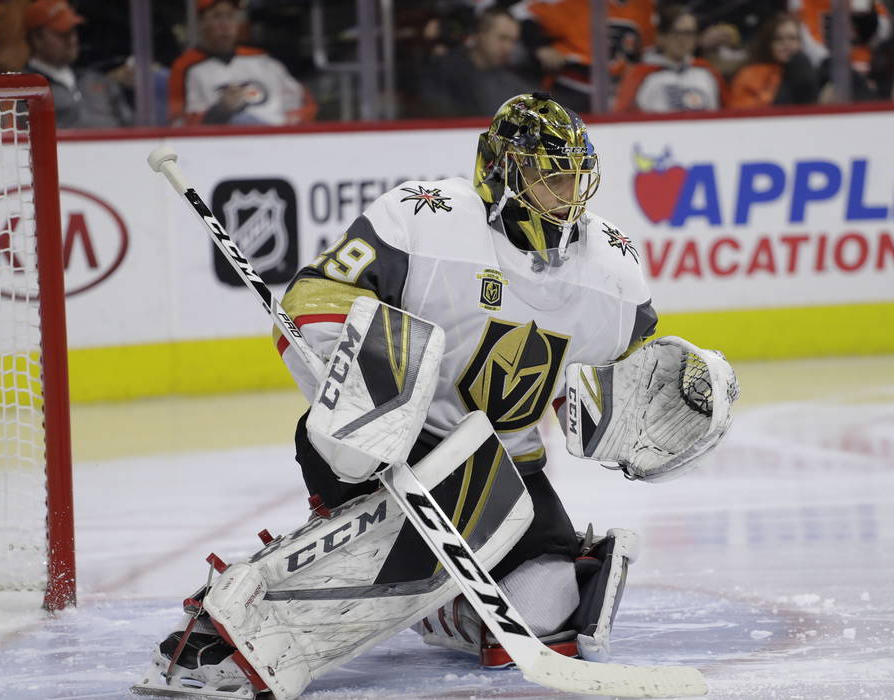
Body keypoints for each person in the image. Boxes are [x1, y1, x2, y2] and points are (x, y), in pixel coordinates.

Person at [136, 92, 738, 699]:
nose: (567, 192)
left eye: (576, 177)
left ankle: (445, 607)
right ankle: (225, 631)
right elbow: (313, 296)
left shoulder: (613, 270)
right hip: (388, 448)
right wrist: (361, 385)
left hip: (507, 471)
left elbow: (596, 392)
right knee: (394, 360)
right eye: (548, 175)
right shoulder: (423, 216)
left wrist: (648, 412)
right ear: (501, 170)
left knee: (551, 613)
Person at [167, 0, 316, 126]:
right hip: (222, 147)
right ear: (201, 22)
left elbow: (304, 104)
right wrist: (221, 111)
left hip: (274, 140)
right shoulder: (187, 66)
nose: (225, 24)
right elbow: (179, 122)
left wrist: (286, 126)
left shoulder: (263, 61)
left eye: (230, 16)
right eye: (217, 16)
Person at [511, 0, 655, 114]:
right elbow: (522, 11)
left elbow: (647, 52)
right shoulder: (572, 4)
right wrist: (540, 46)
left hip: (623, 91)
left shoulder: (644, 6)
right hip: (573, 86)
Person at [22, 0, 133, 129]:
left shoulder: (98, 80)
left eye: (73, 31)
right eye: (62, 34)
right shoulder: (24, 89)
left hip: (120, 148)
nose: (72, 39)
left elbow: (132, 126)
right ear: (37, 38)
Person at [419, 6, 537, 117]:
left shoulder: (513, 81)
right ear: (481, 34)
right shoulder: (443, 71)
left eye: (513, 41)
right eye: (502, 38)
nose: (508, 48)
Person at [614, 6, 726, 113]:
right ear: (661, 36)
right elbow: (624, 117)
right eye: (677, 33)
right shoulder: (640, 76)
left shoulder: (708, 72)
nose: (683, 40)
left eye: (689, 33)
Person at [728, 12, 819, 109]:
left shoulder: (806, 69)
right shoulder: (749, 75)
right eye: (779, 39)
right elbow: (742, 110)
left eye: (792, 38)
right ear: (768, 44)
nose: (786, 44)